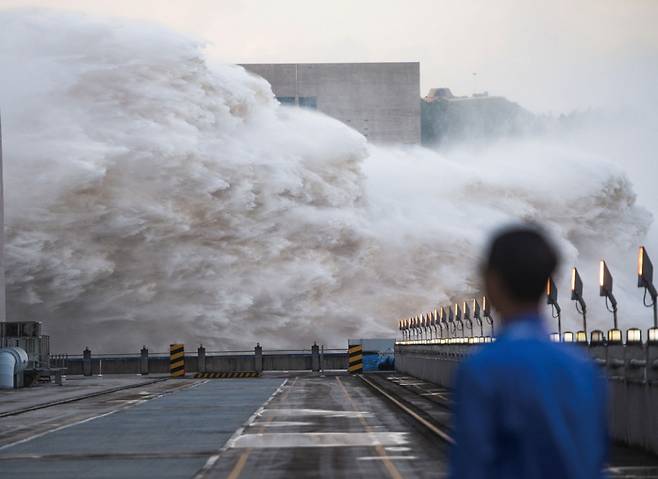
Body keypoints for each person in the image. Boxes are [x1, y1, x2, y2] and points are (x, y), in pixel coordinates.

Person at [450, 226, 608, 479]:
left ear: (493, 281)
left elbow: (472, 466)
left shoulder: (483, 368)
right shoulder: (583, 366)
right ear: (548, 281)